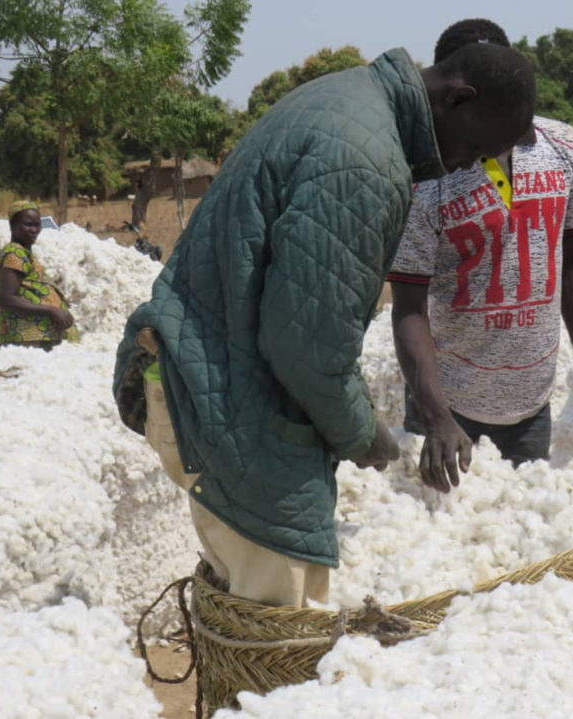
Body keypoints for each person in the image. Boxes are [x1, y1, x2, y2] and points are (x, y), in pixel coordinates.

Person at [113, 44, 537, 606]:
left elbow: (301, 308)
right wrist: (363, 435)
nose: (466, 165)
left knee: (244, 610)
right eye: (477, 148)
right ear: (459, 99)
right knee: (283, 636)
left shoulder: (349, 98)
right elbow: (304, 348)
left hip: (203, 375)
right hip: (228, 402)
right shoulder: (366, 161)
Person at [389, 19, 573, 492]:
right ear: (460, 97)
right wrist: (435, 417)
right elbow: (408, 306)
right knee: (446, 550)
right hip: (447, 412)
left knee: (522, 546)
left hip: (531, 409)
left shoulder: (563, 147)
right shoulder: (425, 175)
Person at [0, 201, 78, 350]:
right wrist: (52, 310)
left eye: (37, 225)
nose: (34, 230)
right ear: (13, 225)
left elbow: (27, 288)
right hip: (28, 337)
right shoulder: (15, 253)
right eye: (28, 225)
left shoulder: (21, 252)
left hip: (33, 337)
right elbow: (8, 299)